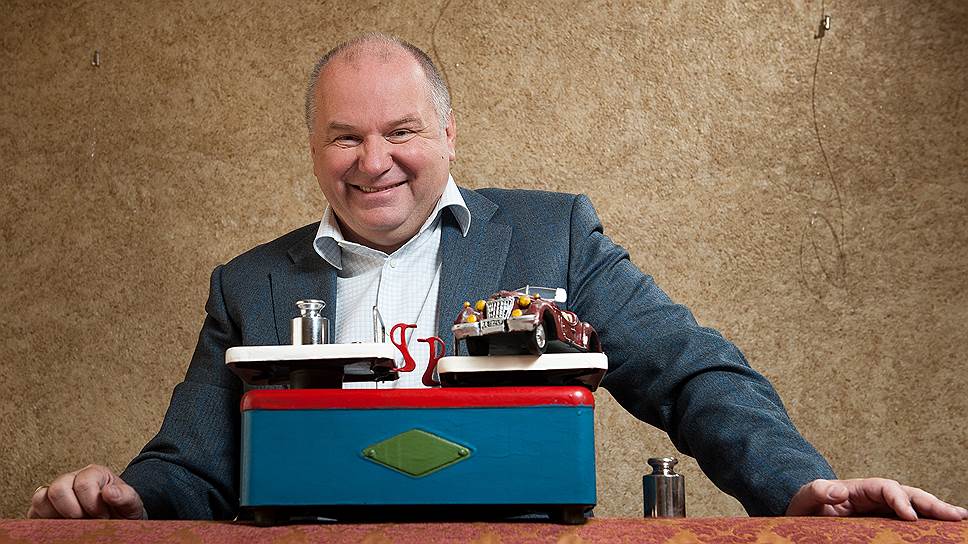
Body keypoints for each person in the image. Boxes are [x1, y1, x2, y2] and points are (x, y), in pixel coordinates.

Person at [28, 33, 966, 522]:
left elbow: (691, 371)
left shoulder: (554, 236)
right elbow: (191, 463)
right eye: (345, 137)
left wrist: (801, 487)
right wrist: (129, 498)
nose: (373, 162)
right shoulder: (249, 284)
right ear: (313, 148)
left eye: (401, 131)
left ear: (447, 134)